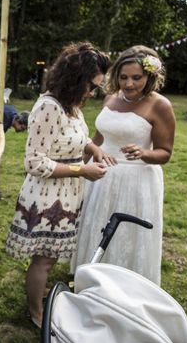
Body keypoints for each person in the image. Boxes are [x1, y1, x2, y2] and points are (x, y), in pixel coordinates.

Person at [5, 42, 112, 328]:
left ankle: (38, 305)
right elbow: (35, 163)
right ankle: (36, 313)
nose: (92, 93)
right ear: (75, 77)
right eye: (91, 85)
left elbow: (75, 137)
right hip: (47, 195)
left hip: (68, 193)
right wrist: (82, 169)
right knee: (43, 260)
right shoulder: (48, 107)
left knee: (50, 258)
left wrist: (94, 147)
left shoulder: (73, 107)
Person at [73, 46, 175, 285]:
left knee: (127, 233)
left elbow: (165, 153)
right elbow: (99, 139)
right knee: (96, 223)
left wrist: (144, 152)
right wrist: (80, 167)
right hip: (101, 174)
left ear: (150, 76)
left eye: (136, 78)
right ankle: (91, 273)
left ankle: (125, 282)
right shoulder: (110, 99)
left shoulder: (160, 105)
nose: (129, 84)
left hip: (136, 179)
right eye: (123, 77)